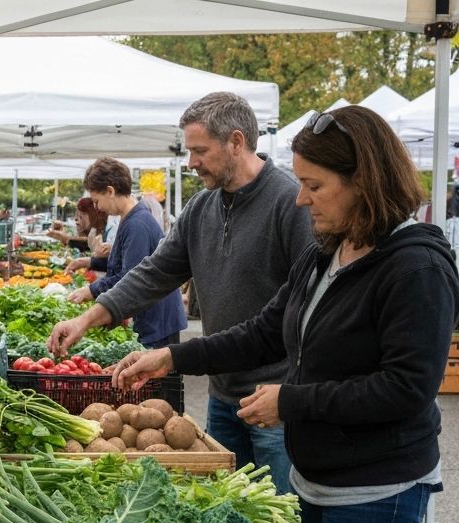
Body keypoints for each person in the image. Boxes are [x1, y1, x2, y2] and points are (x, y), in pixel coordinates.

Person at [114, 106, 458, 523]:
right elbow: (267, 329)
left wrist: (291, 401)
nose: (300, 199)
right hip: (315, 477)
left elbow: (405, 388)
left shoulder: (417, 267)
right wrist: (175, 355)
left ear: (363, 181)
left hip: (375, 489)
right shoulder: (330, 250)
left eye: (314, 186)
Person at [49, 92, 314, 493]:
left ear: (236, 143)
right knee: (232, 510)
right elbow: (155, 272)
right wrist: (89, 316)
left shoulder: (290, 202)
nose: (190, 163)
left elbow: (309, 308)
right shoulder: (201, 208)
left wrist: (291, 391)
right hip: (223, 395)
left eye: (199, 151)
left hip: (275, 399)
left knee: (284, 521)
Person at [67, 159, 186, 349]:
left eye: (97, 201)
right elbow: (126, 262)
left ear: (110, 191)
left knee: (158, 376)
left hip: (157, 320)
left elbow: (130, 276)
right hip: (155, 315)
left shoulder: (136, 224)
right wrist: (90, 261)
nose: (97, 208)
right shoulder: (132, 217)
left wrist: (90, 290)